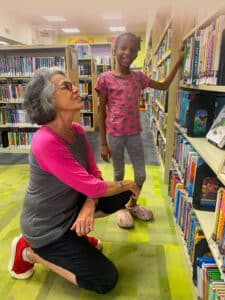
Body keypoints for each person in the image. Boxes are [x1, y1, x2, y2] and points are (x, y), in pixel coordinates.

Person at [8, 67, 140, 294]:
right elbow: (93, 185)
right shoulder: (45, 142)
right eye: (66, 86)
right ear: (48, 99)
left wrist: (89, 204)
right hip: (45, 229)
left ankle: (75, 236)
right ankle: (29, 252)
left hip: (68, 211)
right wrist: (127, 183)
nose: (76, 89)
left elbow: (94, 176)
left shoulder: (77, 131)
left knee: (120, 195)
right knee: (105, 280)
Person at [95, 32, 184, 229]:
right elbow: (101, 112)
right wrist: (103, 143)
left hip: (134, 134)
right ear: (115, 50)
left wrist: (178, 61)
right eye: (123, 48)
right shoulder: (105, 78)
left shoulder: (138, 78)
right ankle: (120, 207)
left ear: (137, 53)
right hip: (115, 136)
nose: (128, 53)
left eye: (133, 49)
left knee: (140, 175)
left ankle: (132, 204)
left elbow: (164, 85)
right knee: (118, 174)